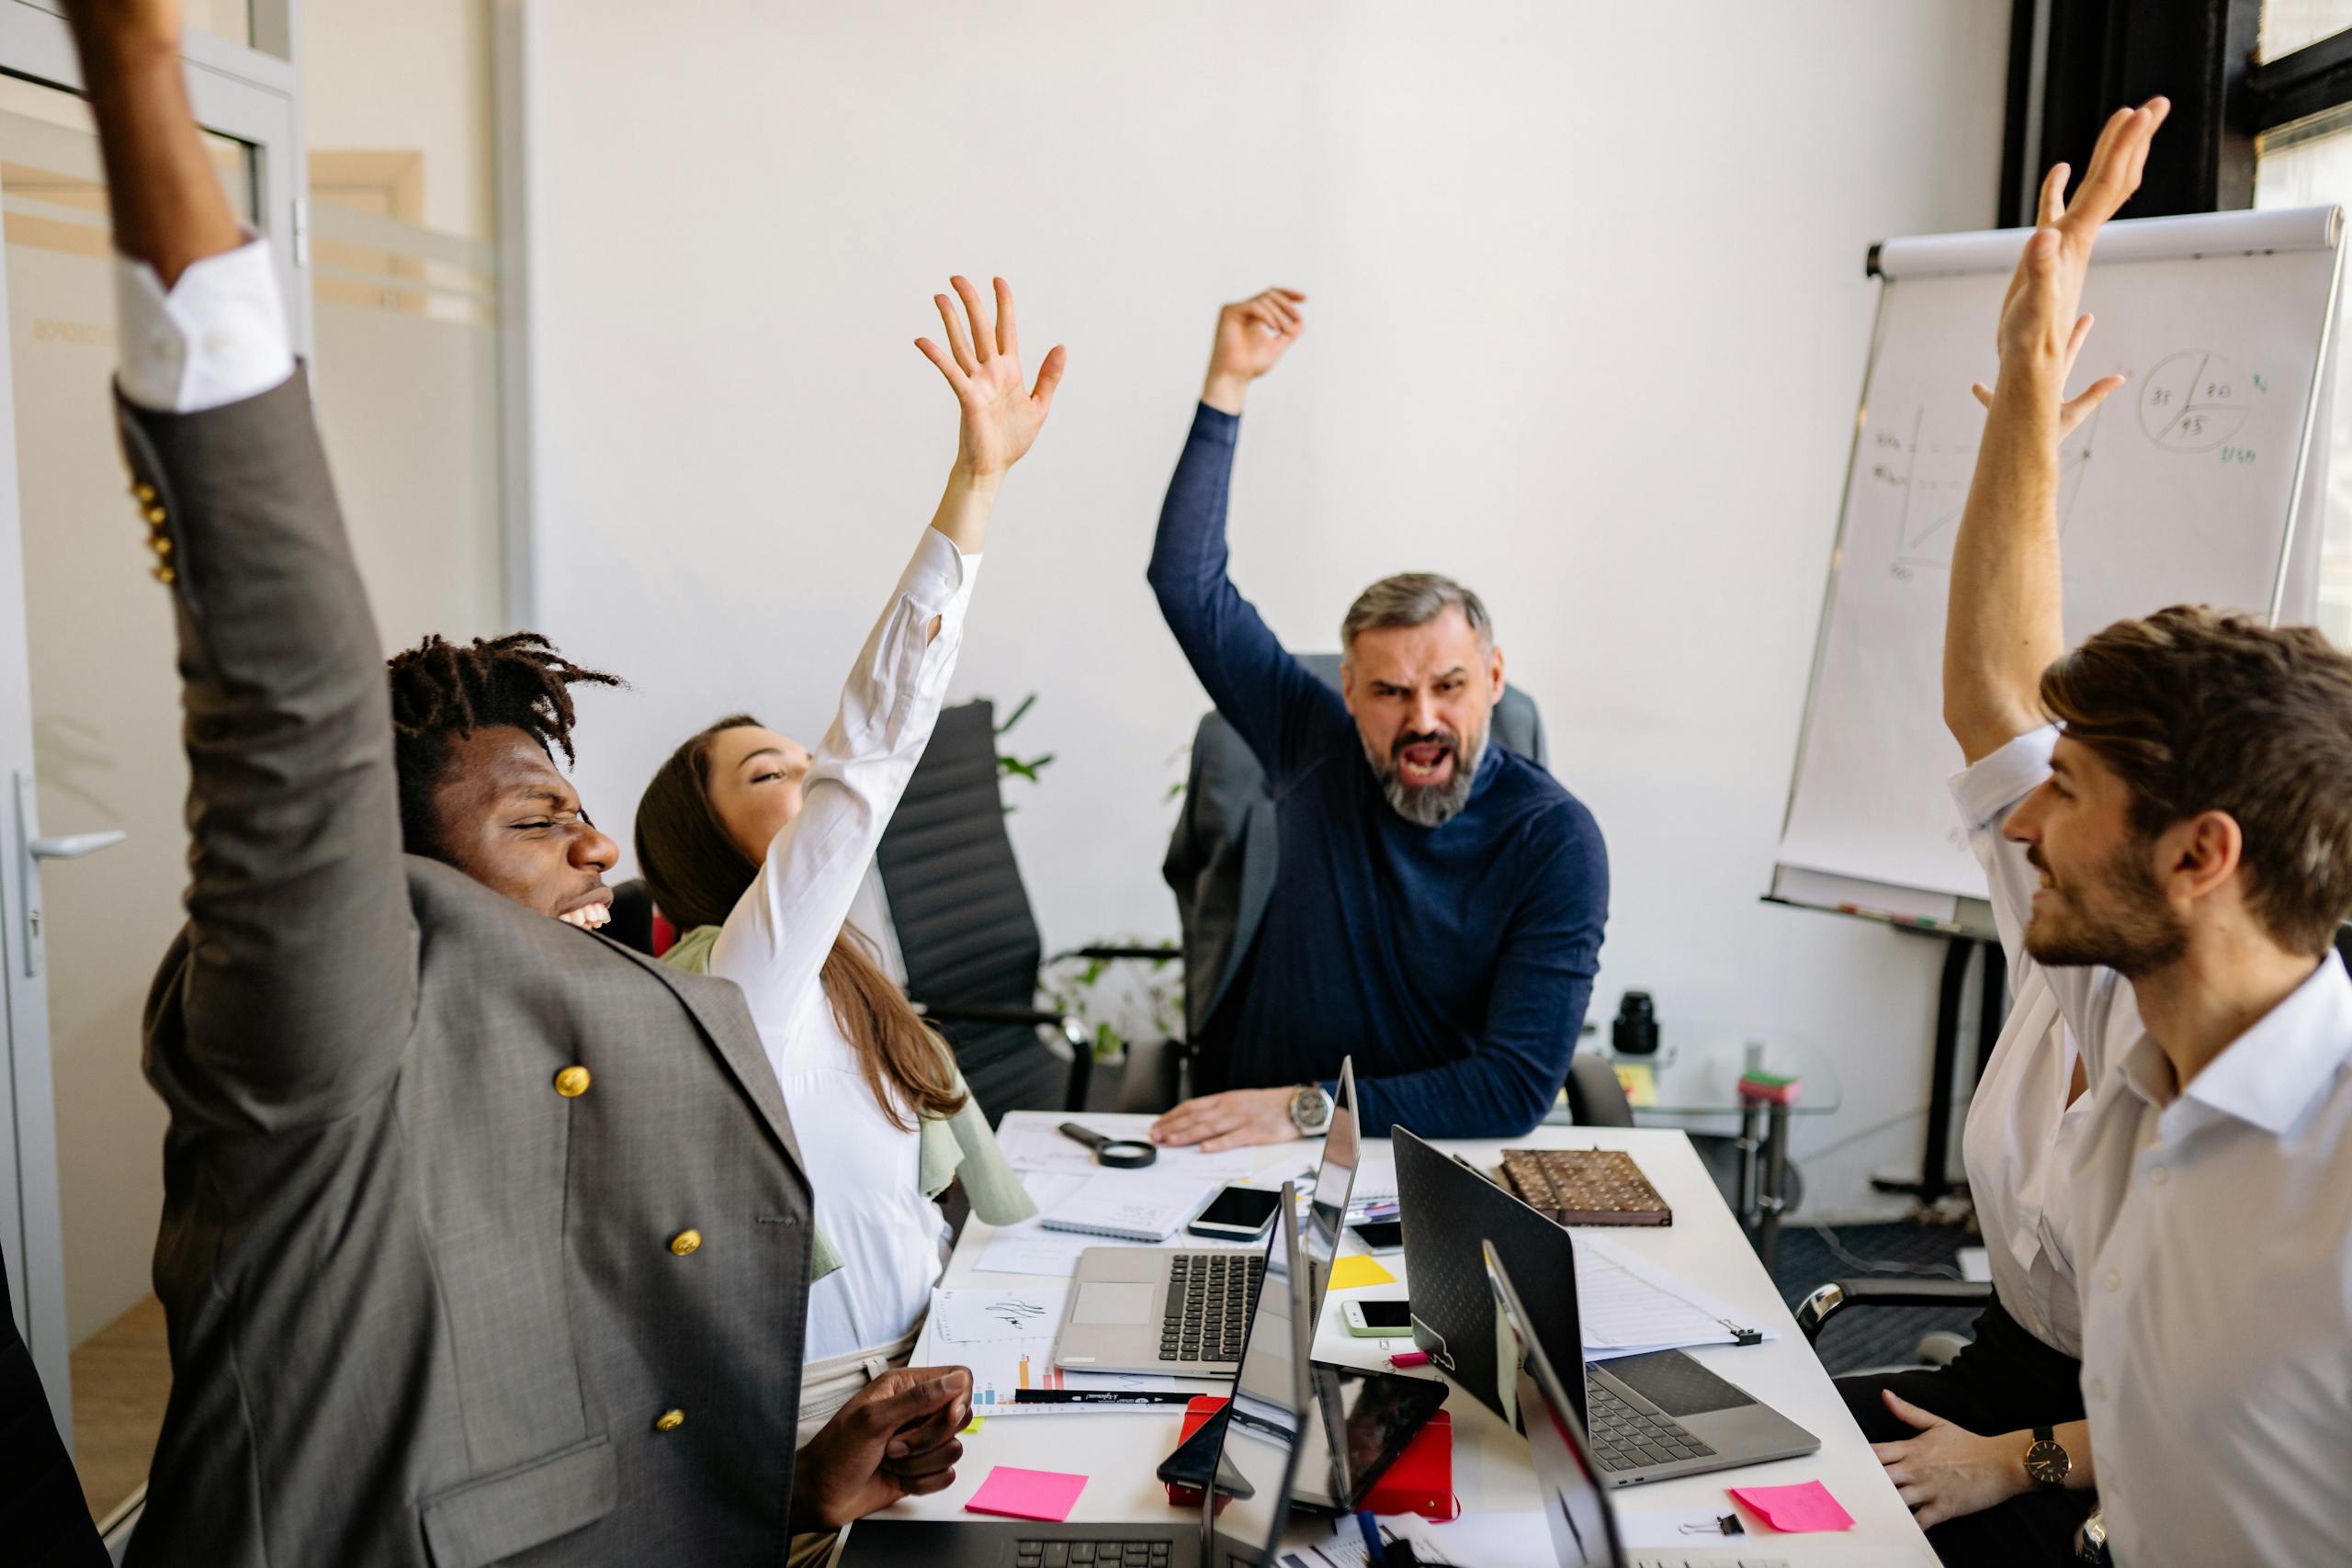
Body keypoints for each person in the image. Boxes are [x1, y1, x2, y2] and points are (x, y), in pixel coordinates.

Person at [68, 3, 969, 1561]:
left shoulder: (609, 1013)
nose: (600, 842)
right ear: (384, 871)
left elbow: (592, 1422)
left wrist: (800, 1485)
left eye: (581, 805)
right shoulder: (330, 1033)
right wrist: (145, 68)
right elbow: (284, 706)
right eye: (538, 818)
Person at [1934, 94, 2352, 1568]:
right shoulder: (2126, 986)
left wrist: (2027, 1462)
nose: (2025, 816)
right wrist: (2027, 379)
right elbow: (1995, 689)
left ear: (2200, 852)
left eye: (2076, 791)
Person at [635, 274, 1057, 1429]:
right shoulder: (742, 983)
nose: (811, 780)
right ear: (702, 841)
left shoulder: (842, 969)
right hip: (840, 1418)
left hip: (938, 1358)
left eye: (798, 761)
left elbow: (906, 1213)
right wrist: (975, 486)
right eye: (771, 776)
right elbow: (871, 746)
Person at [1143, 288, 1608, 1149]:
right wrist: (1227, 384)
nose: (1422, 718)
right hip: (1237, 1151)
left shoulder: (1555, 842)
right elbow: (1186, 582)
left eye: (1449, 685)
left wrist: (1302, 1107)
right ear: (1349, 691)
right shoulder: (1313, 739)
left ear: (1496, 678)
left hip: (1423, 1158)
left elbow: (1510, 1089)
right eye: (1390, 692)